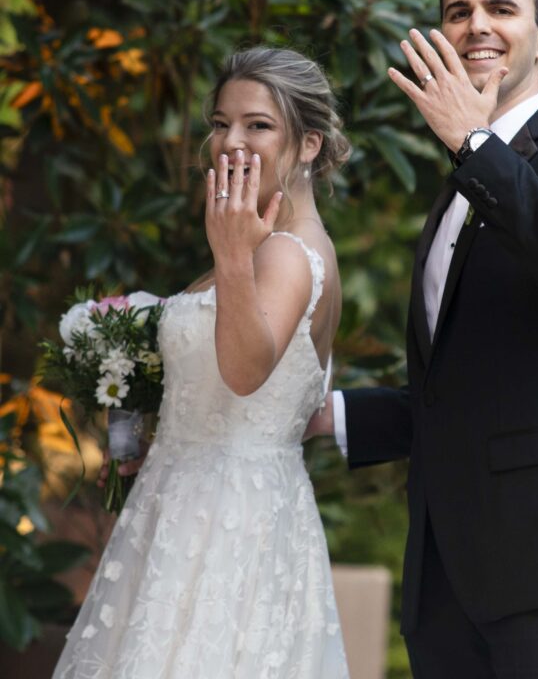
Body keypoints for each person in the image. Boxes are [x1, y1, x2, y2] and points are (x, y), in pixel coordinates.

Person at [309, 0, 538, 678]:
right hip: (445, 579)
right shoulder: (460, 185)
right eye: (457, 12)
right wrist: (327, 417)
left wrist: (473, 142)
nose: (477, 26)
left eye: (500, 8)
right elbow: (463, 391)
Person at [53, 46, 352, 679]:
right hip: (178, 504)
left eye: (257, 125)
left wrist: (231, 254)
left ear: (309, 144)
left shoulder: (287, 254)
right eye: (220, 123)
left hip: (228, 524)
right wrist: (147, 430)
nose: (229, 142)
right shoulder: (263, 246)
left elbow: (244, 375)